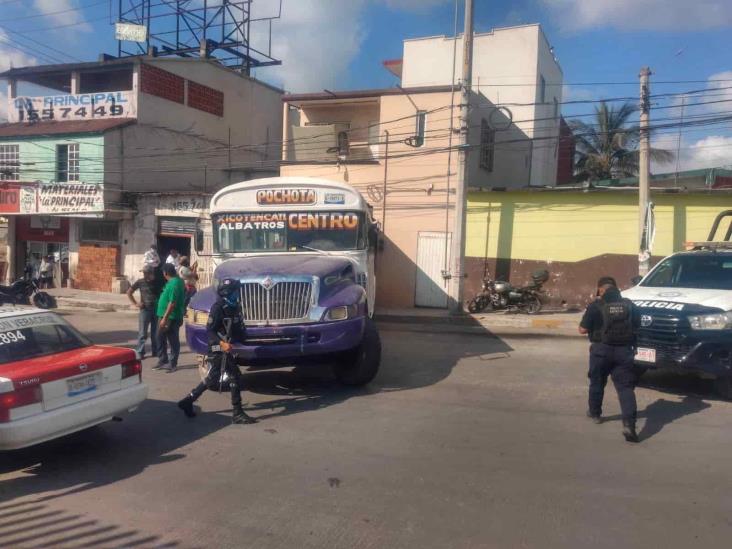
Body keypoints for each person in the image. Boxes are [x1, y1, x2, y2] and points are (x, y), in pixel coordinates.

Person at [177, 278, 257, 424]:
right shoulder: (218, 308)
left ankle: (188, 400)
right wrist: (222, 343)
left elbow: (238, 328)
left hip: (226, 346)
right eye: (235, 291)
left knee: (213, 378)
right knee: (235, 376)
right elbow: (210, 331)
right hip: (217, 347)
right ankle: (237, 412)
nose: (238, 293)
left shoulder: (235, 306)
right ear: (228, 292)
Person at [579, 277, 640, 443]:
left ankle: (595, 413)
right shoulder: (630, 306)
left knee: (597, 382)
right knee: (625, 388)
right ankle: (629, 424)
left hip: (601, 351)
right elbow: (638, 325)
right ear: (616, 288)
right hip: (624, 352)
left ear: (601, 290)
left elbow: (582, 330)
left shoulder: (595, 306)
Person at [155, 263, 186, 372]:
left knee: (172, 340)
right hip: (166, 315)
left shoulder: (174, 284)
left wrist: (165, 318)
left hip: (171, 317)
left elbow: (172, 303)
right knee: (160, 337)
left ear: (165, 273)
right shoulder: (172, 282)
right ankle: (163, 359)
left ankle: (172, 363)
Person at [127, 265, 163, 359]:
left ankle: (155, 351)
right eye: (144, 273)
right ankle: (140, 352)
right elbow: (129, 292)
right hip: (145, 310)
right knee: (143, 333)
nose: (144, 274)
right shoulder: (140, 282)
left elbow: (164, 293)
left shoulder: (158, 282)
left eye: (146, 273)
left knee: (155, 332)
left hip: (156, 310)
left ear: (150, 273)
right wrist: (136, 303)